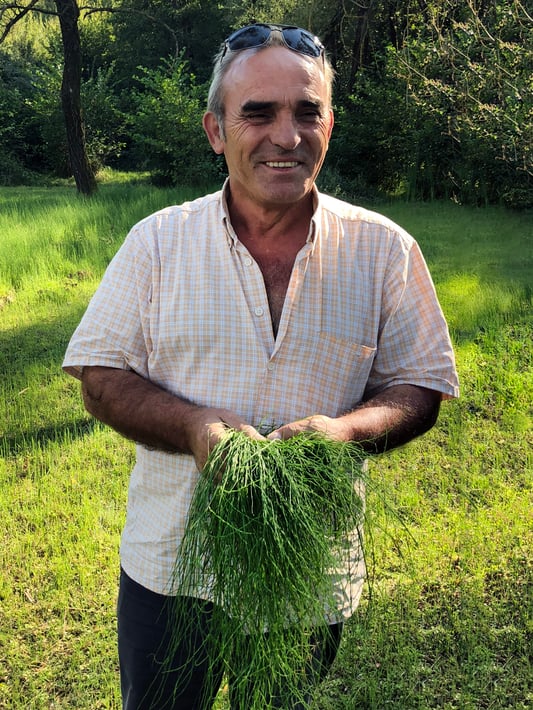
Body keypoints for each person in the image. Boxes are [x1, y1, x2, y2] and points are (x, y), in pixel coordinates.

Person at [63, 22, 459, 710]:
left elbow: (419, 386)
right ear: (216, 130)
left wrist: (345, 432)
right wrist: (193, 428)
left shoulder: (383, 250)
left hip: (308, 568)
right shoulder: (157, 242)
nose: (286, 135)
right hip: (169, 569)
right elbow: (101, 376)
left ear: (329, 123)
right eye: (258, 112)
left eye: (306, 111)